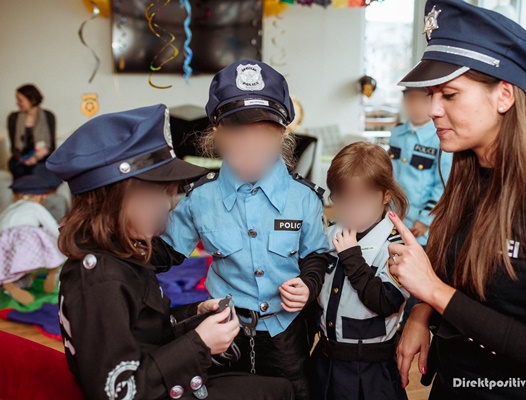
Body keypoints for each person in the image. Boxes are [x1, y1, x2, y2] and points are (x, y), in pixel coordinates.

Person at [387, 1, 526, 399]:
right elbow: (460, 277)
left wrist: (433, 292)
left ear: (503, 96)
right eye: (431, 94)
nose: (433, 109)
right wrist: (422, 312)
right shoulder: (468, 168)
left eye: (449, 94)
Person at [46, 104, 294, 400]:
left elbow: (142, 328)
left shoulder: (115, 256)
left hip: (165, 380)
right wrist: (199, 344)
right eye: (156, 194)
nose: (167, 205)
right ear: (114, 199)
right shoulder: (101, 280)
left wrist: (194, 315)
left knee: (277, 387)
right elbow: (119, 391)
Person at [158, 59, 330, 400]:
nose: (249, 152)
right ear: (217, 135)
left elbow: (317, 255)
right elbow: (165, 253)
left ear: (282, 134)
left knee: (296, 394)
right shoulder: (200, 199)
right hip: (225, 332)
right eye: (237, 139)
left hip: (285, 333)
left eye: (261, 140)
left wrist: (309, 286)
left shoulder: (304, 199)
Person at [311, 142, 410, 400]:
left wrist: (351, 257)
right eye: (343, 200)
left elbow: (384, 301)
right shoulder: (330, 232)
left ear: (386, 195)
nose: (352, 210)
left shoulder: (396, 246)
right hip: (325, 360)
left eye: (362, 201)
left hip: (370, 369)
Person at [389, 87, 451, 247]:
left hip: (421, 226)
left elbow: (444, 184)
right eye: (411, 100)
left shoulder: (440, 136)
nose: (416, 106)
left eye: (423, 100)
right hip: (394, 217)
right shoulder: (396, 133)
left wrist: (426, 220)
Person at [0, 175, 64, 305]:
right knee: (48, 240)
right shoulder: (35, 207)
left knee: (17, 269)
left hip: (5, 246)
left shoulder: (8, 209)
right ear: (37, 196)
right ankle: (53, 270)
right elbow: (51, 226)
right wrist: (63, 240)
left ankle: (8, 283)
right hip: (27, 242)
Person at [7, 84, 56, 179]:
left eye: (20, 100)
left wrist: (37, 157)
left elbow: (51, 146)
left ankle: (37, 192)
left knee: (41, 168)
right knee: (18, 168)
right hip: (21, 158)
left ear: (32, 100)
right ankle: (23, 192)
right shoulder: (13, 117)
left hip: (42, 157)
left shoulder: (48, 116)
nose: (17, 103)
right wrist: (23, 159)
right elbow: (13, 148)